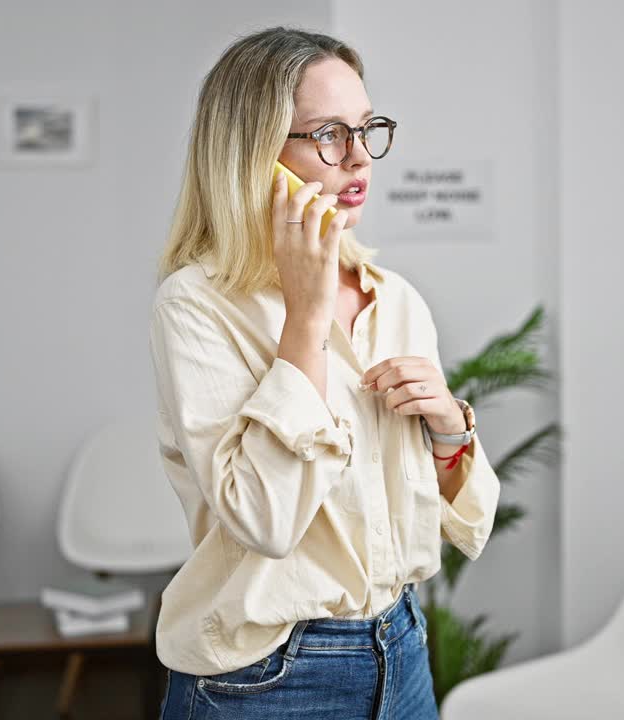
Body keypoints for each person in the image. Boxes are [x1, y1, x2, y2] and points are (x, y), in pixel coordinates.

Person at [148, 25, 501, 719]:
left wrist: (448, 432)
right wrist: (305, 321)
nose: (359, 159)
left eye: (367, 129)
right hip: (265, 680)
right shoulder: (195, 306)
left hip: (401, 651)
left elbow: (464, 522)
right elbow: (265, 521)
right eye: (328, 135)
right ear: (254, 153)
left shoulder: (394, 298)